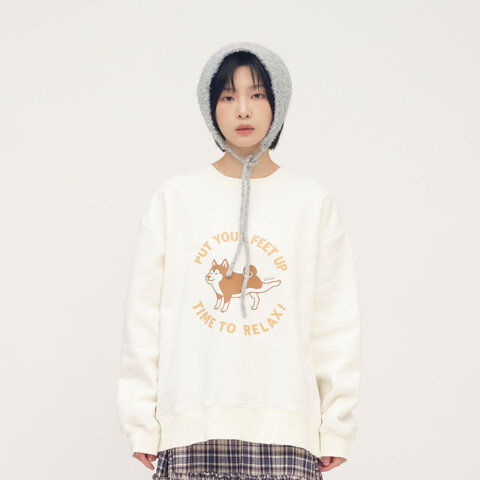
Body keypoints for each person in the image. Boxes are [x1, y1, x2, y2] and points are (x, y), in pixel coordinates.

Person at [116, 42, 362, 480]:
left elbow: (333, 322)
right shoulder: (176, 199)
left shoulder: (310, 202)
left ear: (278, 103)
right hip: (191, 424)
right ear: (210, 107)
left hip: (287, 427)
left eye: (257, 94)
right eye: (228, 96)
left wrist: (336, 426)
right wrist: (141, 420)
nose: (243, 110)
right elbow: (143, 318)